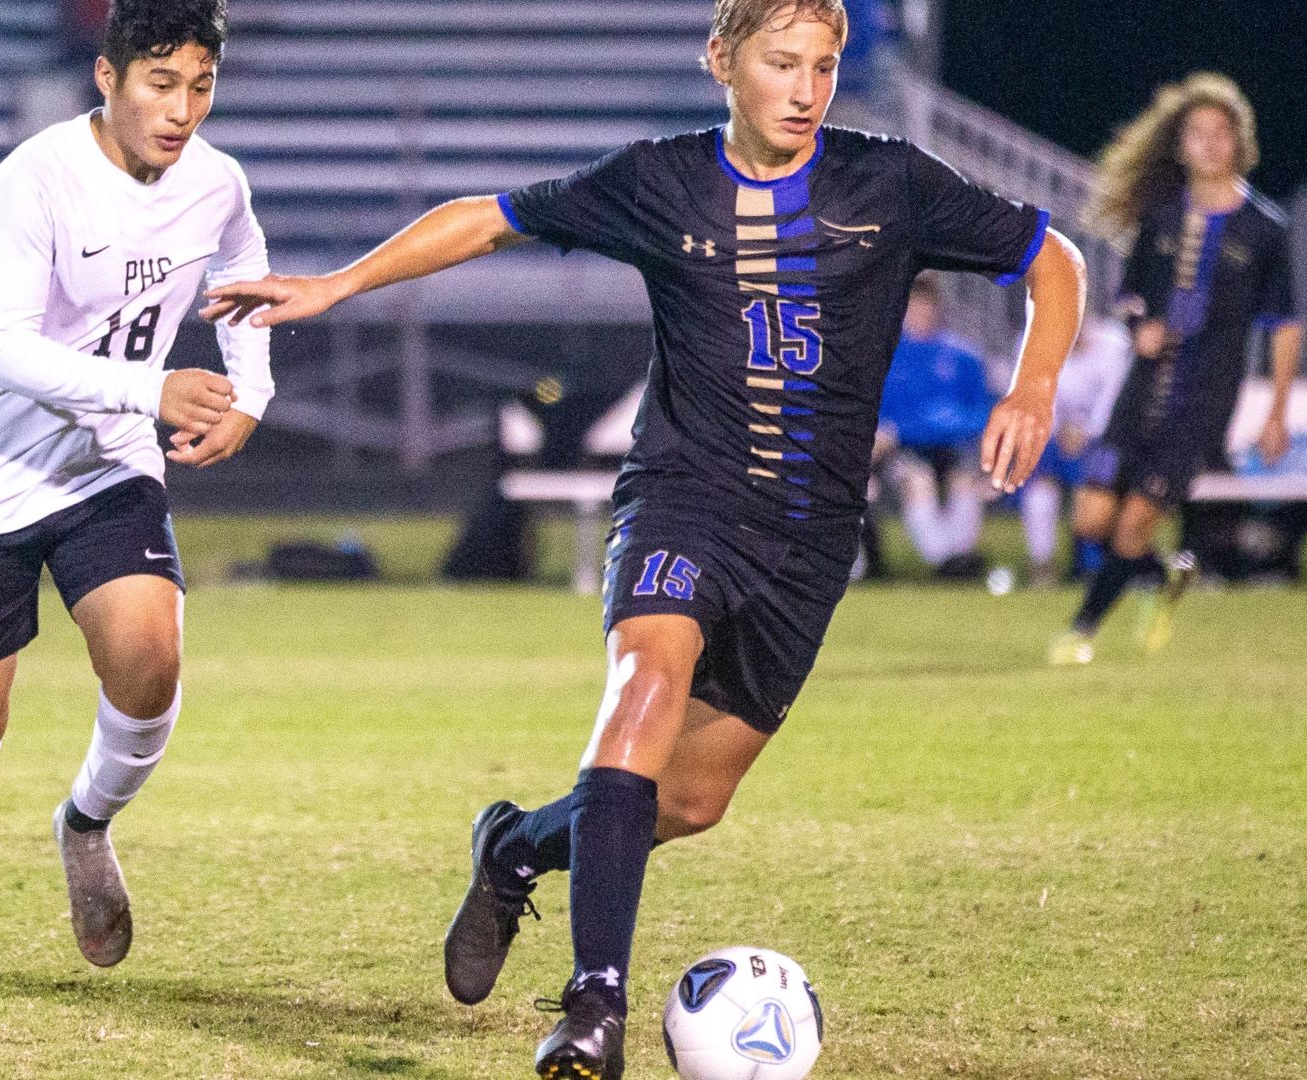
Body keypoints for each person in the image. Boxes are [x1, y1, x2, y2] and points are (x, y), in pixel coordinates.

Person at [203, 1, 1085, 1075]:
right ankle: (596, 1006)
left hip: (808, 544)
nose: (805, 90)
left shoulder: (889, 182)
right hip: (683, 497)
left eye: (823, 65)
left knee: (690, 801)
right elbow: (489, 217)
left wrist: (1034, 384)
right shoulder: (658, 181)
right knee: (643, 690)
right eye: (780, 63)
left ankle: (514, 848)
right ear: (722, 61)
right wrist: (335, 283)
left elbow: (1054, 258)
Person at [0, 0, 274, 984]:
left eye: (201, 86)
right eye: (160, 83)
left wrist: (252, 393)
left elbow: (246, 270)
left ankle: (86, 824)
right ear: (105, 78)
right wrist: (155, 389)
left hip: (107, 468)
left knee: (150, 663)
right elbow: (4, 347)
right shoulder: (35, 183)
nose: (181, 109)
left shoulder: (216, 184)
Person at [1051, 72, 1300, 665]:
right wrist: (1141, 329)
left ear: (1240, 142)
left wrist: (1277, 414)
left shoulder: (1265, 230)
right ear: (1180, 144)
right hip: (1141, 393)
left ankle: (1081, 629)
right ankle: (1165, 574)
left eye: (1222, 134)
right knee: (1090, 520)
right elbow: (1129, 295)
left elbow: (1284, 326)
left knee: (1134, 521)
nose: (1211, 145)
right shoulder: (1160, 218)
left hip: (1203, 402)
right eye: (1198, 134)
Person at [873, 273, 996, 578]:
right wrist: (907, 431)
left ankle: (960, 557)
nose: (921, 312)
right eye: (914, 305)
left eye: (926, 305)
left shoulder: (963, 356)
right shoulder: (887, 357)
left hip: (953, 447)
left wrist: (927, 426)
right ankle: (943, 561)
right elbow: (883, 423)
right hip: (904, 451)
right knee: (918, 481)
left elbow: (981, 413)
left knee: (965, 481)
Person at [1020, 315, 1130, 585]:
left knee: (1092, 491)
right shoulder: (1037, 342)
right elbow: (1037, 393)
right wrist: (1059, 430)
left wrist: (1087, 431)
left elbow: (1113, 400)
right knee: (1039, 493)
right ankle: (1042, 564)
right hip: (1053, 435)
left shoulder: (1114, 346)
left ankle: (1093, 565)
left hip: (1102, 437)